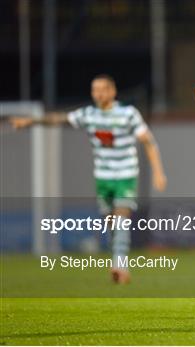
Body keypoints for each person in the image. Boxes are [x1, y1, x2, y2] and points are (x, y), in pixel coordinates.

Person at [11, 74, 167, 284]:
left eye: (103, 89)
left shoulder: (128, 114)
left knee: (122, 217)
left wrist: (158, 171)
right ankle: (118, 259)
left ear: (112, 92)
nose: (98, 93)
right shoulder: (89, 115)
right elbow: (59, 119)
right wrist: (31, 121)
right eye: (95, 90)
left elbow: (148, 141)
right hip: (103, 176)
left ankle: (120, 266)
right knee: (111, 222)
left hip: (125, 174)